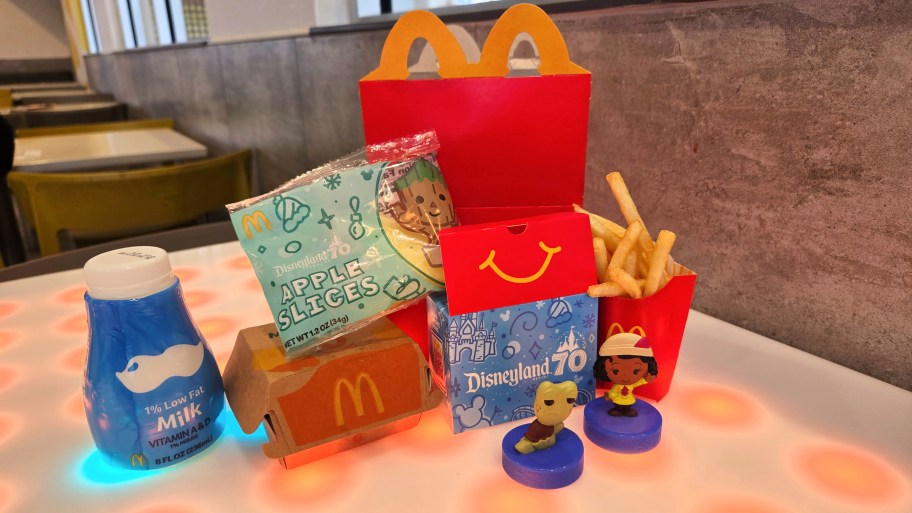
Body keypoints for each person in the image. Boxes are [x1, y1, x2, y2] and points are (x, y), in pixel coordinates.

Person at [592, 332, 658, 417]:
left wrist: (647, 379)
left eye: (636, 371)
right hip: (618, 400)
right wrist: (609, 396)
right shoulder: (618, 386)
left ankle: (627, 410)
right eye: (615, 371)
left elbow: (640, 382)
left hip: (629, 400)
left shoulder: (632, 385)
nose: (625, 376)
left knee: (628, 407)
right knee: (618, 406)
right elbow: (613, 392)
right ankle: (618, 410)